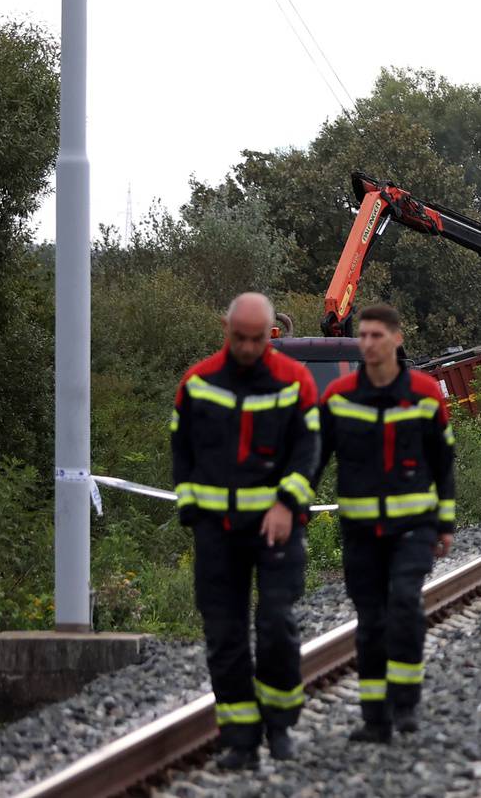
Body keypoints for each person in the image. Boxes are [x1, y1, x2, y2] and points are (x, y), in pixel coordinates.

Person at [171, 292, 319, 770]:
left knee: (276, 623)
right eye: (241, 338)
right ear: (226, 330)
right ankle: (239, 738)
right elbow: (182, 452)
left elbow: (308, 451)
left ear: (271, 334)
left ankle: (279, 727)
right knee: (224, 634)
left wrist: (286, 502)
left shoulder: (293, 380)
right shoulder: (197, 383)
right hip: (217, 532)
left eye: (259, 339)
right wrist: (194, 512)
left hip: (276, 527)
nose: (250, 347)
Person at [315, 303, 456, 743]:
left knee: (404, 607)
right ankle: (375, 718)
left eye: (377, 335)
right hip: (360, 533)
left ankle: (406, 703)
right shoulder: (339, 397)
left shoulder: (424, 392)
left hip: (414, 528)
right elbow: (314, 460)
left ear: (397, 339)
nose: (369, 343)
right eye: (364, 335)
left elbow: (443, 462)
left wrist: (445, 523)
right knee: (371, 621)